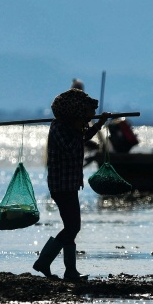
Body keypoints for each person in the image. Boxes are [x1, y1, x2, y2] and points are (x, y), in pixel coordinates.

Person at [33, 87, 111, 281]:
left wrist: (99, 123)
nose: (85, 121)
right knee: (72, 227)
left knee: (72, 226)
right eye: (83, 117)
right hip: (61, 186)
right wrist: (79, 129)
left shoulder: (70, 128)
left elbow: (83, 138)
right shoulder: (59, 128)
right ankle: (44, 262)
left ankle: (70, 271)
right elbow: (70, 148)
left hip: (70, 185)